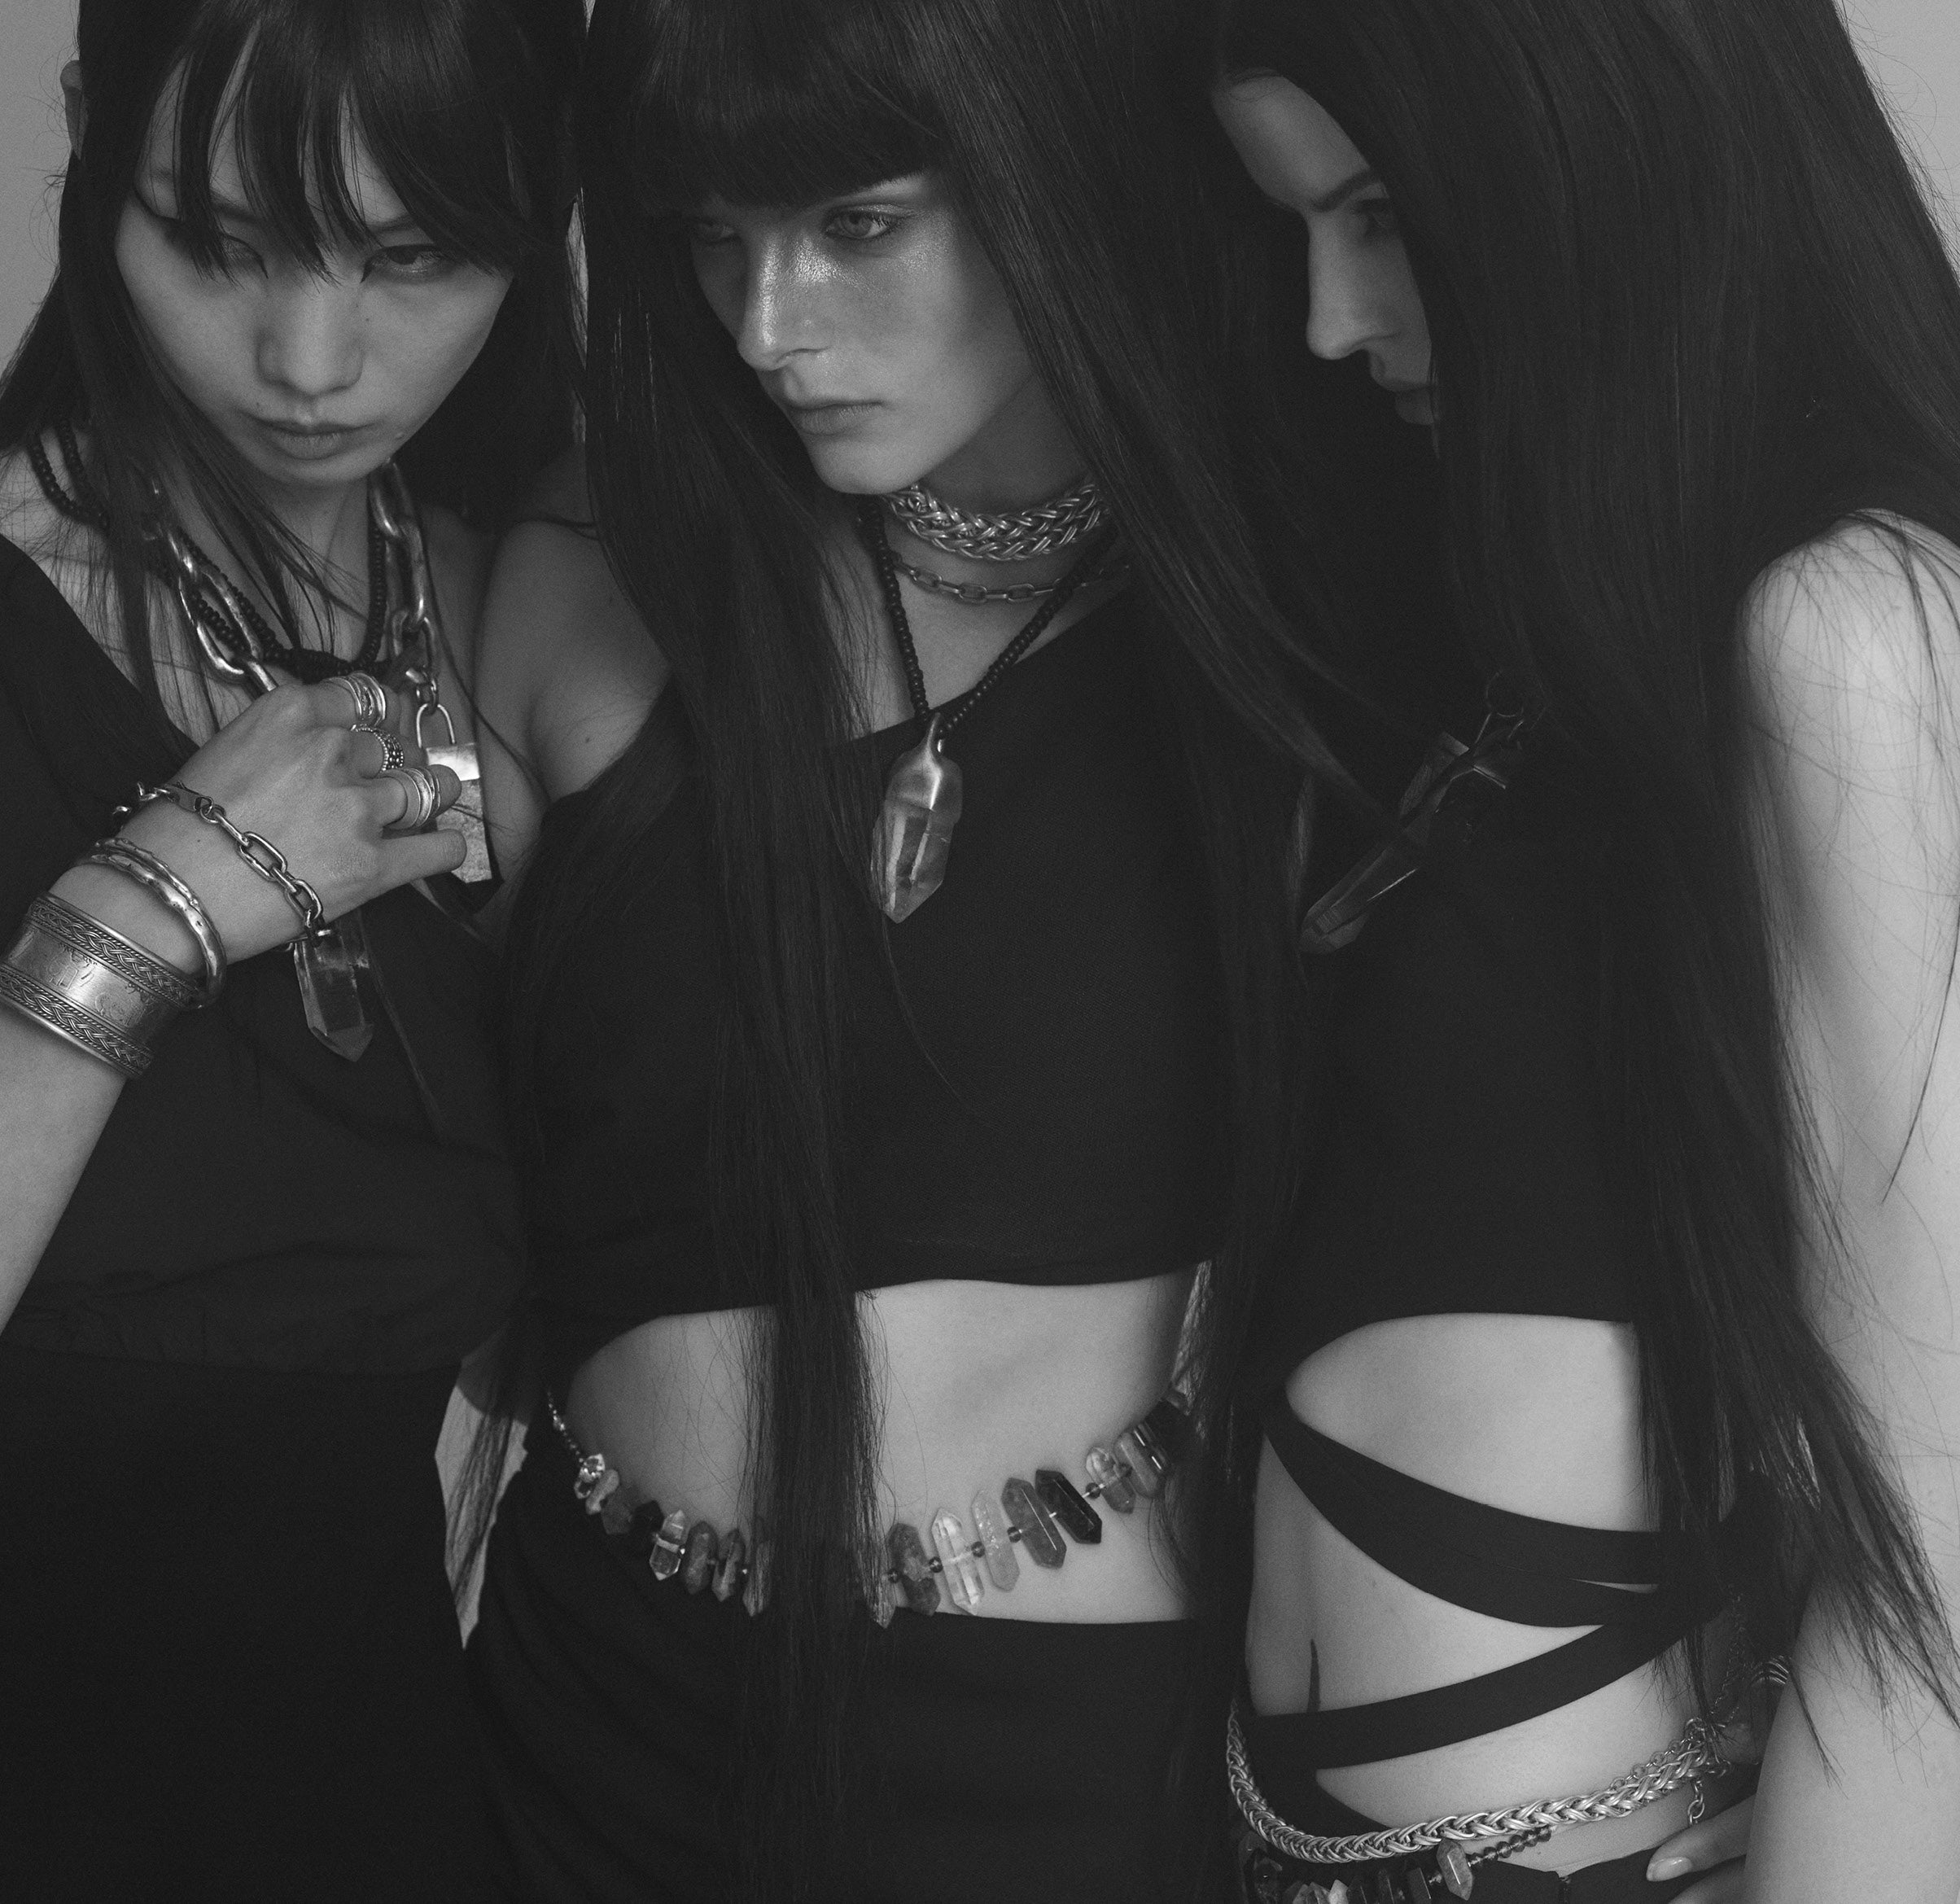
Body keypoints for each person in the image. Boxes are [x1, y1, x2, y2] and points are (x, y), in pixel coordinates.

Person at [1201, 0, 1960, 1897]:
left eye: (1381, 217)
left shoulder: (1853, 633)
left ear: (1597, 155)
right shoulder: (1522, 618)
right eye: (1296, 226)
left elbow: (1948, 1563)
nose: (1329, 319)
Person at [459, 1, 1336, 1897]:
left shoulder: (1285, 637)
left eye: (857, 224)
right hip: (587, 1719)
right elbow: (405, 1201)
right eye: (710, 236)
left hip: (1062, 1769)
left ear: (1055, 174)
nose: (764, 324)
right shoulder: (586, 584)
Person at [0, 0, 580, 1894]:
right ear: (91, 138)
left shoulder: (532, 624)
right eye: (221, 241)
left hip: (384, 1791)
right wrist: (151, 906)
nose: (311, 362)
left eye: (413, 258)